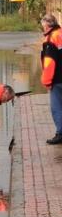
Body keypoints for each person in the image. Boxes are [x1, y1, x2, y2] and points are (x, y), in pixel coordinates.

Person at [40, 14, 62, 144]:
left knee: (57, 107)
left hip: (57, 79)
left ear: (47, 25)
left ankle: (60, 133)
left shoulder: (51, 39)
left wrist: (47, 81)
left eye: (43, 26)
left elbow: (49, 63)